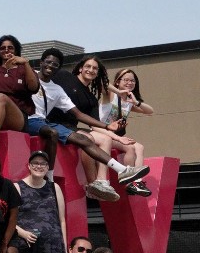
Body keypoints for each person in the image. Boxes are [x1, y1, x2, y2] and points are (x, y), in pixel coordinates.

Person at [23, 49, 148, 203]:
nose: (91, 70)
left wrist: (113, 132)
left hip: (67, 126)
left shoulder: (89, 98)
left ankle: (102, 182)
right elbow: (41, 72)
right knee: (88, 137)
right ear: (80, 68)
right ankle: (93, 182)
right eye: (88, 66)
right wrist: (119, 91)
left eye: (95, 68)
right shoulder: (64, 76)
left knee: (107, 140)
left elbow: (87, 120)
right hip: (48, 123)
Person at [96, 69, 154, 196]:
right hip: (101, 133)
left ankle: (137, 181)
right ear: (117, 82)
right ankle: (129, 180)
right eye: (126, 80)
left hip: (115, 136)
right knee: (130, 148)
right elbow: (102, 82)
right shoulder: (111, 95)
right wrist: (118, 91)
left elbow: (150, 111)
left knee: (139, 147)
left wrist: (136, 102)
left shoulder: (129, 102)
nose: (130, 83)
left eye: (132, 81)